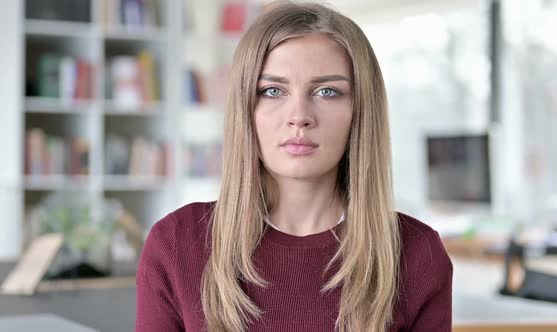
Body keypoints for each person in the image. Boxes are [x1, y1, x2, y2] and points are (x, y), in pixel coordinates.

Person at [136, 1, 453, 331]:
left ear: (360, 111)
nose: (299, 116)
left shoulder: (418, 254)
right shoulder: (175, 243)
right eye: (273, 90)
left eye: (327, 91)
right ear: (246, 109)